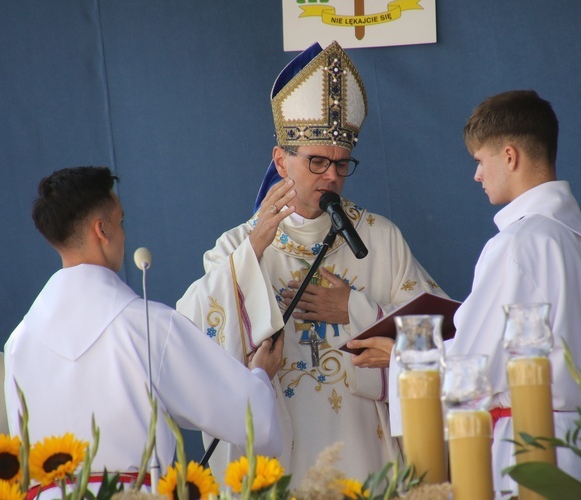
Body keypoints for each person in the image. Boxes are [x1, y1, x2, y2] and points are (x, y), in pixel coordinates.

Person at [177, 41, 447, 486]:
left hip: (362, 452)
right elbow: (189, 342)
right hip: (278, 457)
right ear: (281, 160)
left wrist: (356, 311)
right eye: (317, 161)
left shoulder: (380, 239)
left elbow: (439, 338)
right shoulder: (237, 246)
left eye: (342, 165)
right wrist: (253, 253)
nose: (331, 177)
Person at [390, 90, 581, 495]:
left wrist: (404, 362)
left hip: (533, 450)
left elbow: (476, 363)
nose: (477, 175)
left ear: (509, 156)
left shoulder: (518, 243)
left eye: (480, 161)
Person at [4, 166, 283, 488]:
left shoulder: (18, 342)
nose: (123, 234)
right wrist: (260, 375)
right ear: (102, 230)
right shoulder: (145, 327)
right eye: (120, 222)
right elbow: (252, 421)